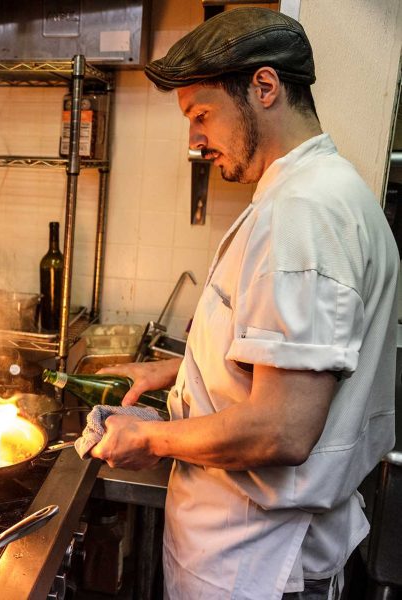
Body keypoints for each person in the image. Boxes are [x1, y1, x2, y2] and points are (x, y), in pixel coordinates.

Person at [88, 7, 398, 600]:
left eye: (201, 115)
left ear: (264, 87)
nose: (195, 139)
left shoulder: (306, 212)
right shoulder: (316, 192)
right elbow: (288, 365)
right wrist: (177, 370)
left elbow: (282, 428)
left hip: (256, 567)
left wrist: (149, 438)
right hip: (243, 554)